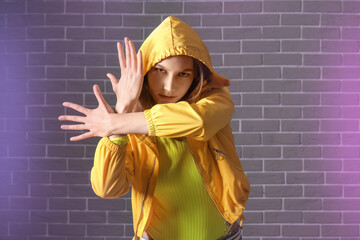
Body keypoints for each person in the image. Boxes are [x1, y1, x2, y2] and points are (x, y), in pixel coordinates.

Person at [59, 16, 250, 240]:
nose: (169, 86)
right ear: (145, 71)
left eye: (183, 74)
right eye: (160, 70)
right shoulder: (129, 120)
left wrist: (114, 122)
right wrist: (120, 120)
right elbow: (107, 189)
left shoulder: (216, 99)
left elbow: (198, 122)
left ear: (196, 77)